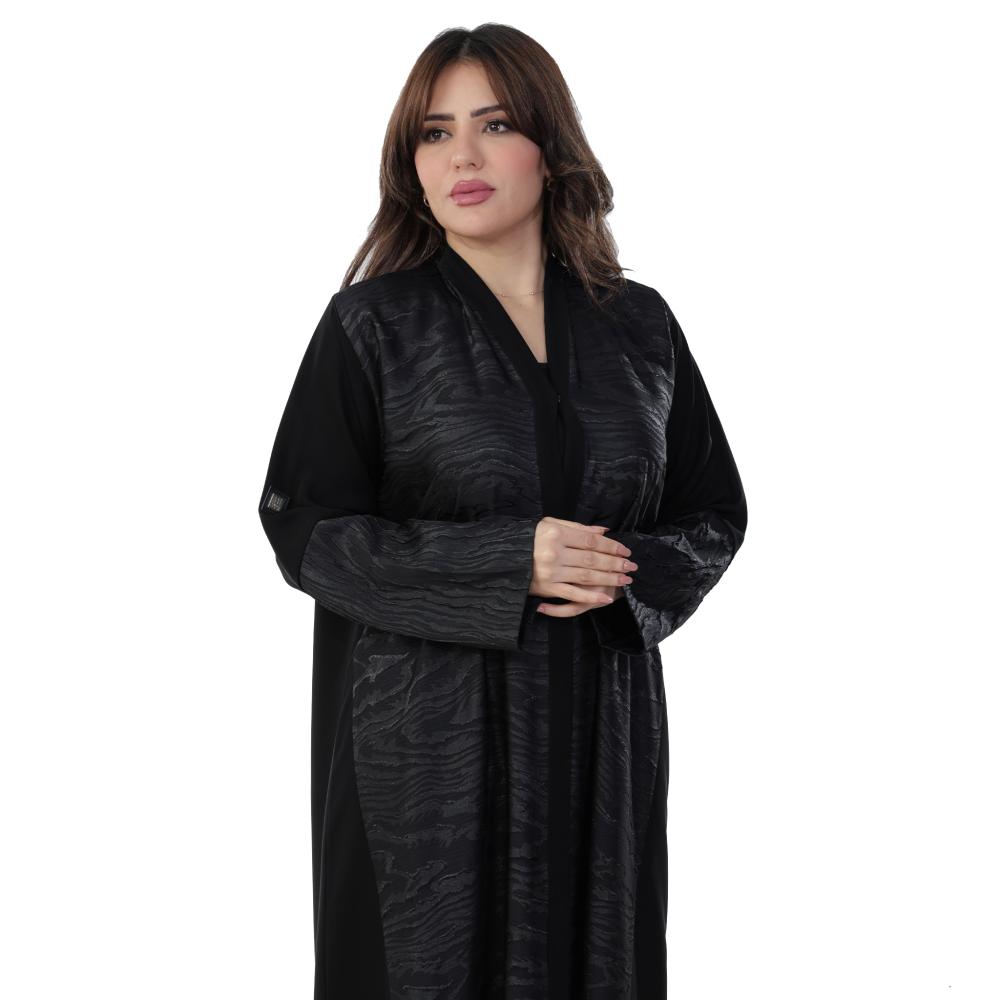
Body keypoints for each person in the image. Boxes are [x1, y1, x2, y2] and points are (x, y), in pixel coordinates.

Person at [257, 23, 747, 1000]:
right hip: (422, 752)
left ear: (549, 150)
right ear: (410, 163)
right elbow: (304, 526)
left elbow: (711, 509)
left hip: (599, 737)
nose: (463, 158)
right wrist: (505, 562)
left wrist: (626, 575)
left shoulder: (638, 327)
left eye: (493, 125)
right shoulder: (374, 327)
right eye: (435, 134)